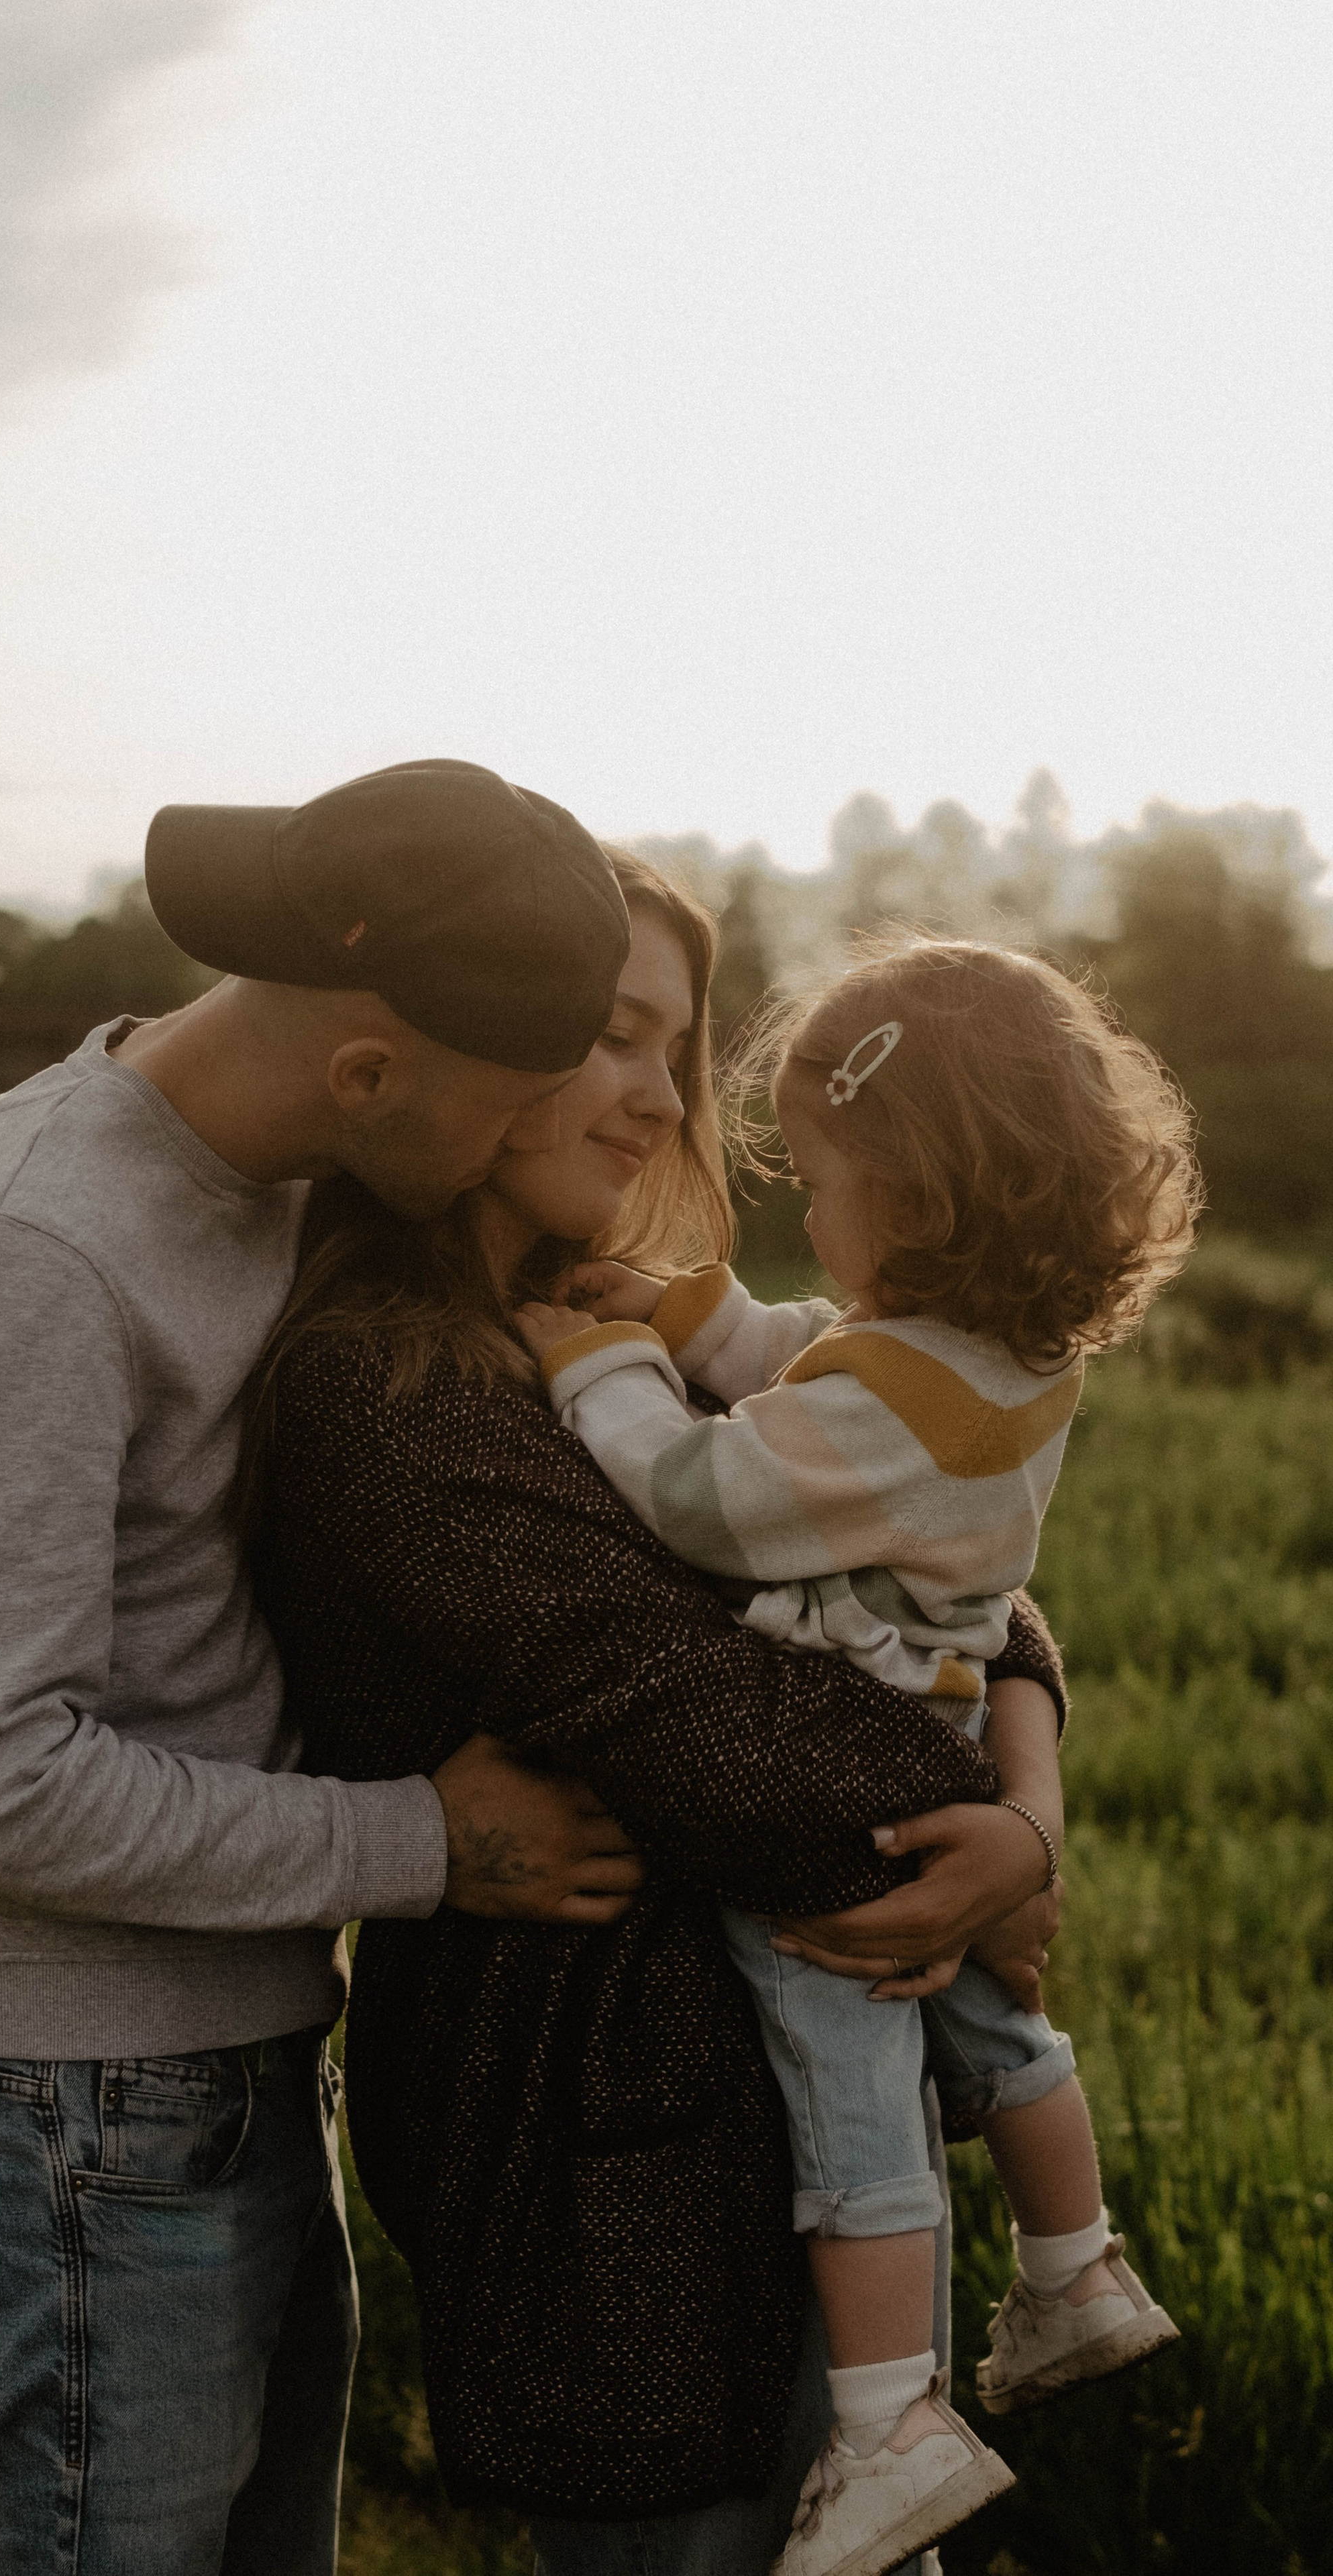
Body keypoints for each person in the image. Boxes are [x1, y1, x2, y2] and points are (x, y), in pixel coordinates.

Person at [0, 758, 653, 2576]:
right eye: (519, 1103)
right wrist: (430, 1848)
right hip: (84, 2122)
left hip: (242, 2061)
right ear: (370, 1072)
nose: (548, 1130)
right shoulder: (35, 1255)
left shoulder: (269, 1171)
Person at [249, 857, 1070, 2574]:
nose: (648, 1094)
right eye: (602, 1034)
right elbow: (688, 1705)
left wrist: (1027, 1789)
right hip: (609, 2147)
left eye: (670, 1048)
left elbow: (948, 1566)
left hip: (802, 2082)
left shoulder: (614, 1332)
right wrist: (984, 1828)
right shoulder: (397, 1393)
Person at [516, 938, 1199, 2575]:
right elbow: (799, 1363)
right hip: (942, 1740)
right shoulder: (984, 1362)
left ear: (919, 1188)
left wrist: (597, 1367)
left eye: (820, 1183)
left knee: (852, 2096)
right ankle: (1072, 2265)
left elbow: (702, 1494)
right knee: (992, 2017)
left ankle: (890, 2426)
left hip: (843, 1793)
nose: (802, 1218)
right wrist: (681, 1311)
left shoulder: (896, 1399)